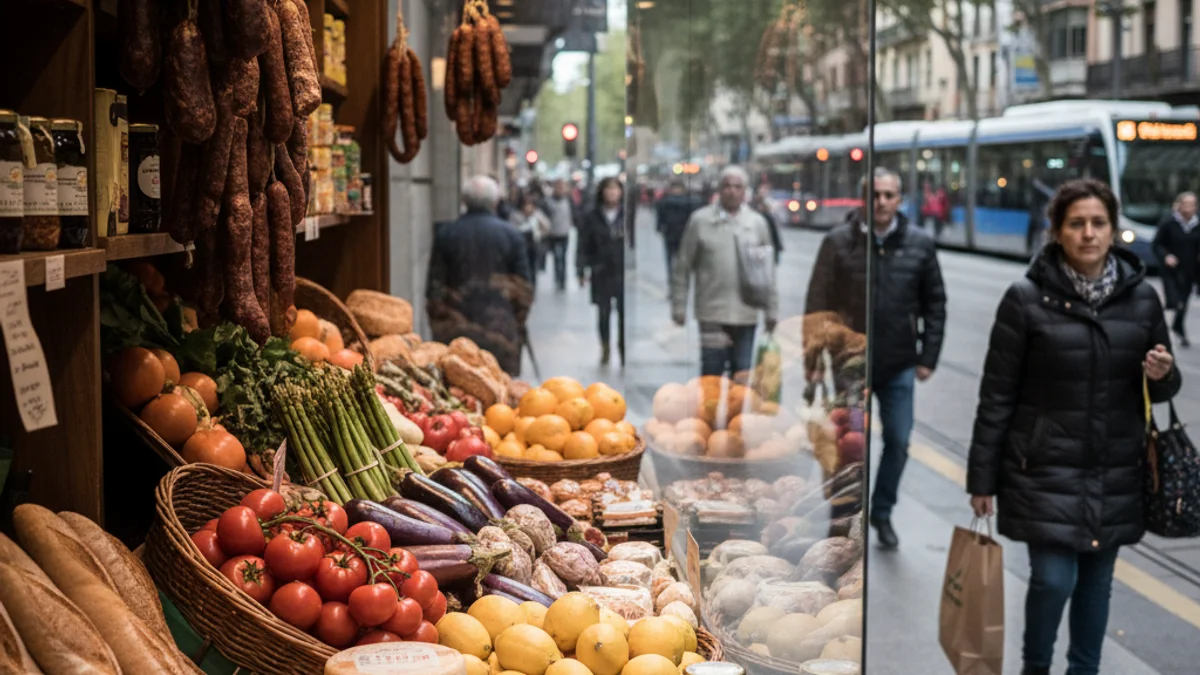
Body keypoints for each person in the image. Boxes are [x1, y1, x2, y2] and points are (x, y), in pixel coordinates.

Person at [967, 179, 1180, 675]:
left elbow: (1164, 388)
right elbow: (996, 394)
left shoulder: (1143, 299)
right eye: (1076, 223)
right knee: (1053, 579)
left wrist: (1162, 373)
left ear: (1113, 230)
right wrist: (982, 480)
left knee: (1097, 584)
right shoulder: (1025, 299)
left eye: (1098, 223)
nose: (1088, 233)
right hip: (1044, 469)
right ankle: (1035, 667)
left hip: (1116, 468)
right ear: (1057, 232)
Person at [805, 166, 947, 550]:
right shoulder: (837, 242)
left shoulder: (919, 243)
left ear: (899, 200)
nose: (881, 202)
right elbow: (817, 304)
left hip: (899, 363)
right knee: (850, 446)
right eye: (874, 195)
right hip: (850, 365)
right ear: (863, 199)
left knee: (898, 441)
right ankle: (844, 516)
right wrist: (815, 360)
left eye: (888, 195)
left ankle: (881, 511)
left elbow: (935, 303)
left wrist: (928, 356)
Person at [671, 165, 778, 377]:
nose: (732, 191)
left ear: (745, 191)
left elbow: (768, 272)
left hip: (746, 313)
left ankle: (733, 412)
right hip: (712, 312)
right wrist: (679, 305)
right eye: (727, 186)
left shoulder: (757, 224)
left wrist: (771, 310)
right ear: (719, 190)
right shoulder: (700, 221)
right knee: (712, 376)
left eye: (738, 186)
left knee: (742, 375)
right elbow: (683, 265)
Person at [426, 176, 533, 376]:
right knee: (499, 393)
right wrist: (515, 321)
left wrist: (439, 324)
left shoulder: (446, 234)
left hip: (456, 332)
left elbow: (434, 288)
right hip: (500, 329)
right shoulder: (512, 235)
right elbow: (524, 288)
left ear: (464, 200)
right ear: (495, 201)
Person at [577, 177, 627, 366]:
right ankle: (605, 347)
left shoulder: (626, 215)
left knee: (624, 315)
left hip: (623, 272)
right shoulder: (592, 216)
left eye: (616, 189)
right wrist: (581, 269)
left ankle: (623, 350)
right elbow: (583, 245)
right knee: (603, 313)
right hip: (601, 271)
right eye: (609, 189)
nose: (612, 193)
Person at [1152, 191, 1200, 347]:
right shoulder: (1169, 222)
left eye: (1193, 204)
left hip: (1190, 269)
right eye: (1186, 204)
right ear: (1179, 205)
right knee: (1176, 302)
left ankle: (1178, 327)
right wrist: (1166, 256)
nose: (1190, 207)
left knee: (1184, 301)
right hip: (1172, 271)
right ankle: (1166, 331)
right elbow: (1157, 244)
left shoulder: (1197, 223)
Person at [655, 180, 702, 280]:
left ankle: (672, 277)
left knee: (670, 258)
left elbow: (660, 218)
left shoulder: (664, 201)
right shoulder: (689, 202)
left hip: (670, 233)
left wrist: (659, 228)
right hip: (683, 234)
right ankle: (681, 277)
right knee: (683, 258)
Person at [544, 179, 578, 292]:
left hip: (564, 232)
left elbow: (574, 213)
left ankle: (562, 279)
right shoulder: (548, 202)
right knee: (557, 257)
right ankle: (558, 277)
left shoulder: (568, 200)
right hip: (553, 233)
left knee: (562, 257)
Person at [511, 192, 550, 289]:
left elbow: (547, 227)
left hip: (534, 246)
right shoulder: (516, 216)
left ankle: (532, 286)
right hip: (520, 247)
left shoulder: (537, 215)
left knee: (533, 267)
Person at [750, 183, 784, 264]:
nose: (763, 193)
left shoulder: (769, 215)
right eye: (762, 191)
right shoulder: (753, 211)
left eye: (765, 191)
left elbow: (775, 234)